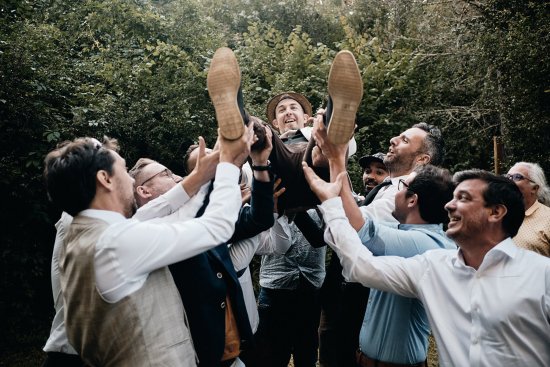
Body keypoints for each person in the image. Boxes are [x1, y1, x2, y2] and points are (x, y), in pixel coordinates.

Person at [42, 123, 253, 365]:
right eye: (123, 169)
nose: (132, 182)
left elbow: (168, 217)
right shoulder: (115, 243)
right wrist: (229, 165)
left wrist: (203, 178)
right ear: (105, 179)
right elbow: (217, 228)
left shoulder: (92, 232)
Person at [304, 163, 550, 366]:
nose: (449, 206)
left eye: (463, 198)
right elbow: (363, 268)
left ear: (495, 212)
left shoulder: (542, 276)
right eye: (452, 198)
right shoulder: (434, 267)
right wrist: (331, 204)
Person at [130, 127, 275, 366]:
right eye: (165, 174)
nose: (177, 177)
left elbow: (259, 220)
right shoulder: (150, 236)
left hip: (234, 352)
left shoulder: (203, 217)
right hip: (198, 356)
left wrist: (259, 164)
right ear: (144, 190)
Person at [313, 116, 444, 367]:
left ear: (422, 160)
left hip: (363, 300)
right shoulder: (389, 187)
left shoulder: (406, 196)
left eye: (405, 139)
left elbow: (354, 224)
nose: (393, 140)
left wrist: (334, 158)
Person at [506, 162, 550, 257]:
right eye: (508, 177)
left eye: (517, 177)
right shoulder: (499, 215)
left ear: (534, 188)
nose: (509, 181)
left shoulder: (548, 219)